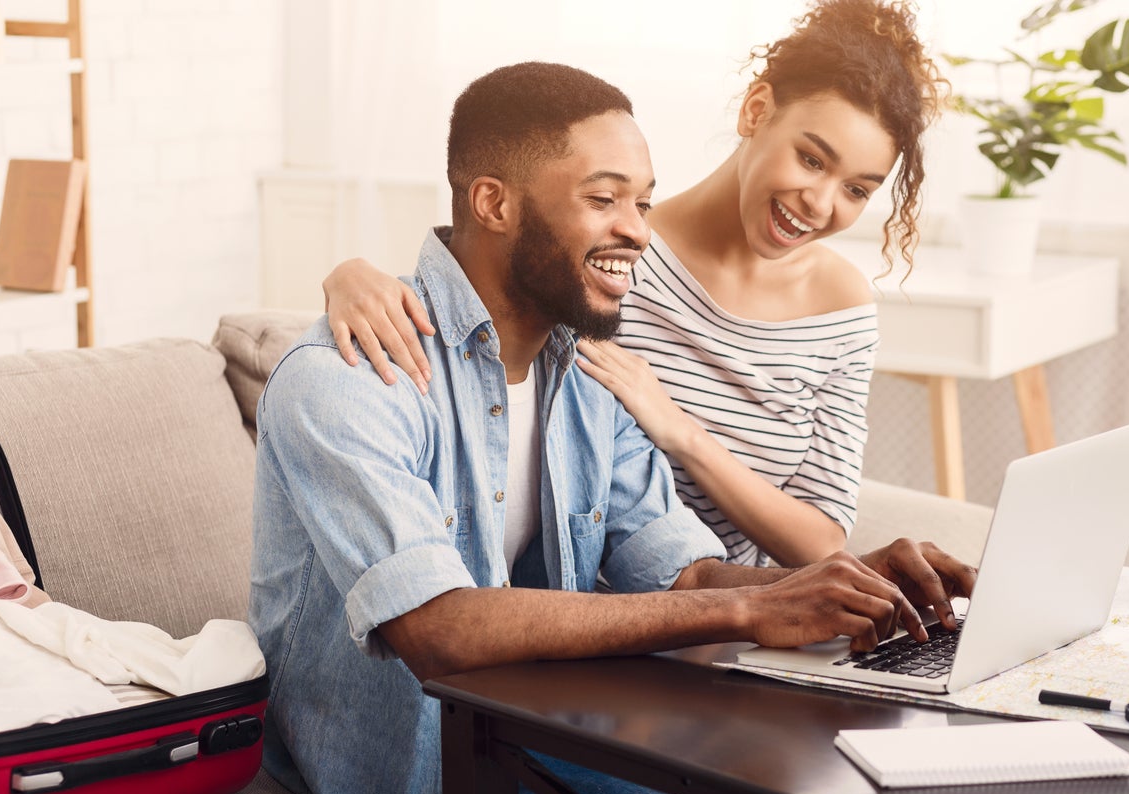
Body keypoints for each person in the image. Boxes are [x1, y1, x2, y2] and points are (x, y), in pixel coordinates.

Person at [250, 61, 973, 794]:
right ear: (494, 203)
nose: (636, 231)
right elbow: (438, 631)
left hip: (542, 746)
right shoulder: (347, 379)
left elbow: (681, 569)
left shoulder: (593, 377)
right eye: (604, 200)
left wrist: (845, 585)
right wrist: (753, 607)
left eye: (643, 203)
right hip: (406, 778)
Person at [320, 0, 947, 569]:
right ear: (757, 111)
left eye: (857, 190)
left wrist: (680, 432)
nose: (820, 202)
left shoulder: (843, 311)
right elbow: (486, 289)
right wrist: (348, 274)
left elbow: (822, 542)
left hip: (756, 611)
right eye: (811, 159)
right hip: (623, 607)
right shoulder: (611, 257)